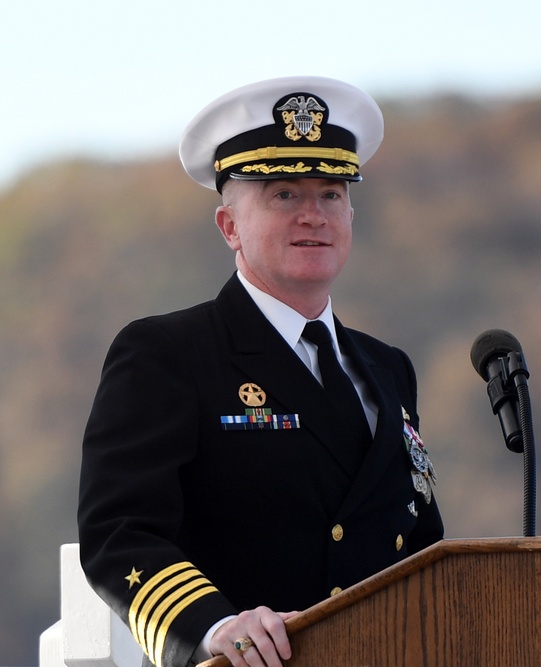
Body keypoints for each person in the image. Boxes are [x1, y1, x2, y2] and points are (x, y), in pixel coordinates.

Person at [77, 76, 444, 667]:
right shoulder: (167, 353)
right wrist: (216, 626)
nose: (314, 216)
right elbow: (120, 534)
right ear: (229, 227)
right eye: (283, 195)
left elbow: (421, 548)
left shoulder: (387, 367)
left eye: (331, 194)